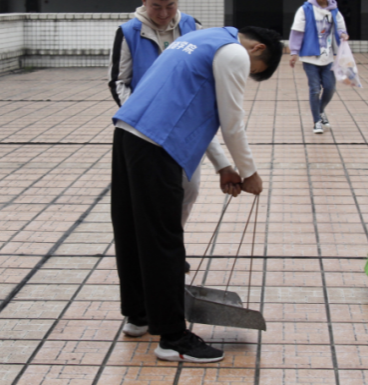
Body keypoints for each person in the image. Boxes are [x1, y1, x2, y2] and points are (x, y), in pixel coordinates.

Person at [111, 25, 283, 363]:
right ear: (257, 48)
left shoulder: (196, 39)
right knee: (164, 239)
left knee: (132, 230)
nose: (245, 73)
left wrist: (224, 166)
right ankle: (173, 337)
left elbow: (196, 110)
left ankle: (139, 314)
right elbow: (232, 121)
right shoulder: (234, 52)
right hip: (157, 144)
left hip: (128, 133)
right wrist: (249, 172)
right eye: (253, 70)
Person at [108, 0, 239, 260]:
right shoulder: (128, 32)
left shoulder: (192, 27)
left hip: (186, 124)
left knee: (189, 190)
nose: (164, 14)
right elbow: (118, 81)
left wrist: (224, 165)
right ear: (144, 1)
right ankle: (160, 254)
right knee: (152, 195)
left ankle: (169, 248)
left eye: (170, 6)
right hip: (146, 130)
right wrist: (144, 112)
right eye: (156, 7)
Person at [288, 0, 349, 134]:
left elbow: (340, 27)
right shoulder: (305, 9)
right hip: (310, 57)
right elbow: (297, 31)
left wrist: (343, 34)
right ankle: (317, 121)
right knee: (315, 89)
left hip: (327, 57)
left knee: (330, 88)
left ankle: (320, 110)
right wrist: (294, 52)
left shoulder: (334, 9)